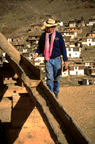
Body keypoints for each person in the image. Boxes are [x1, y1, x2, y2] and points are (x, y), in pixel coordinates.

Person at [33, 18, 68, 98]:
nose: (47, 28)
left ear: (52, 27)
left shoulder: (58, 36)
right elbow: (40, 47)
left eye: (48, 27)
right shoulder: (43, 36)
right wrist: (36, 53)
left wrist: (65, 61)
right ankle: (50, 94)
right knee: (49, 78)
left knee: (57, 78)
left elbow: (63, 48)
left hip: (57, 59)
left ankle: (56, 92)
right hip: (48, 60)